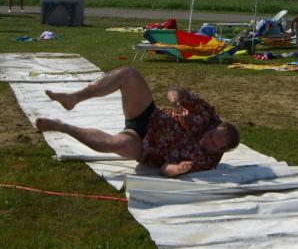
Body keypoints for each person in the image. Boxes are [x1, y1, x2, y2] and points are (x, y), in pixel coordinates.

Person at [36, 67, 240, 177]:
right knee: (129, 74)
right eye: (212, 135)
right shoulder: (207, 115)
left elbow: (166, 168)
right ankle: (74, 98)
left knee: (116, 144)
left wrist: (178, 170)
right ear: (215, 127)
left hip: (145, 147)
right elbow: (177, 90)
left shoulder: (207, 161)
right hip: (150, 116)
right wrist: (175, 97)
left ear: (221, 151)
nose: (208, 140)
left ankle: (62, 127)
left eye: (214, 144)